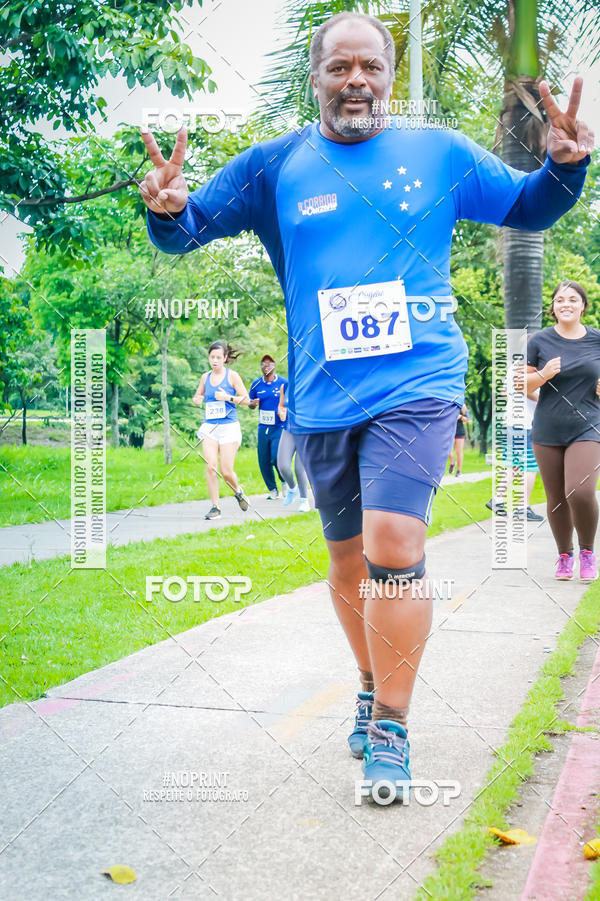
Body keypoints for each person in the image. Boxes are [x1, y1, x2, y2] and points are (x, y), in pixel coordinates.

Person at [140, 11, 591, 802]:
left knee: (393, 541)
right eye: (339, 67)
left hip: (418, 383)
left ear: (388, 74)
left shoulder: (440, 153)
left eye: (371, 67)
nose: (357, 81)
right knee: (349, 563)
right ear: (315, 77)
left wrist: (564, 168)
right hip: (321, 398)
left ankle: (391, 721)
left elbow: (526, 207)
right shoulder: (274, 167)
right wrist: (168, 208)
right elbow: (187, 233)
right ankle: (368, 674)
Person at [527, 280, 600, 581]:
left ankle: (587, 551)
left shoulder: (597, 340)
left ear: (583, 306)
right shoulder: (539, 341)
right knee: (556, 497)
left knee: (580, 491)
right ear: (553, 308)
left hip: (589, 426)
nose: (566, 304)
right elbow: (520, 385)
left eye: (572, 299)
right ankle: (564, 556)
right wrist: (543, 375)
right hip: (548, 429)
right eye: (559, 300)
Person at [193, 340, 250, 520]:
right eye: (212, 357)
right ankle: (215, 507)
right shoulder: (205, 377)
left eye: (218, 357)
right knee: (211, 467)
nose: (215, 360)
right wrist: (197, 399)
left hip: (229, 427)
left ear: (225, 358)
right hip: (210, 427)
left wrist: (228, 397)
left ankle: (238, 491)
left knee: (226, 471)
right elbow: (198, 394)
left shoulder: (232, 376)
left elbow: (247, 400)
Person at [485, 378, 544, 522]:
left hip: (510, 422)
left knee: (515, 465)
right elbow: (522, 387)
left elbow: (504, 392)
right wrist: (543, 402)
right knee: (530, 467)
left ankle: (497, 500)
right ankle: (522, 508)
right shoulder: (531, 365)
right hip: (524, 423)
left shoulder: (514, 365)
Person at [248, 355, 287, 499]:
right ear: (261, 367)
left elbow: (290, 401)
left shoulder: (283, 382)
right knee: (264, 460)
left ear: (275, 366)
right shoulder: (256, 384)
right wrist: (252, 404)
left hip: (279, 426)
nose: (267, 366)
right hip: (263, 427)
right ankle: (272, 490)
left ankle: (284, 481)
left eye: (270, 363)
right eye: (263, 364)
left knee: (276, 457)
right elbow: (250, 403)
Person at [277, 383, 311, 513]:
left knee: (299, 468)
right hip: (289, 429)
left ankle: (304, 499)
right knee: (283, 466)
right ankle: (292, 488)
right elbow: (281, 405)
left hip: (305, 430)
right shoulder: (285, 386)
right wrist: (281, 411)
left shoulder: (308, 383)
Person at [447, 404, 469, 476]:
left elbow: (467, 419)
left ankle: (459, 471)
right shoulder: (448, 404)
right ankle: (452, 462)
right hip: (450, 431)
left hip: (460, 431)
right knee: (448, 449)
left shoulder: (462, 405)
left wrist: (460, 417)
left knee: (458, 452)